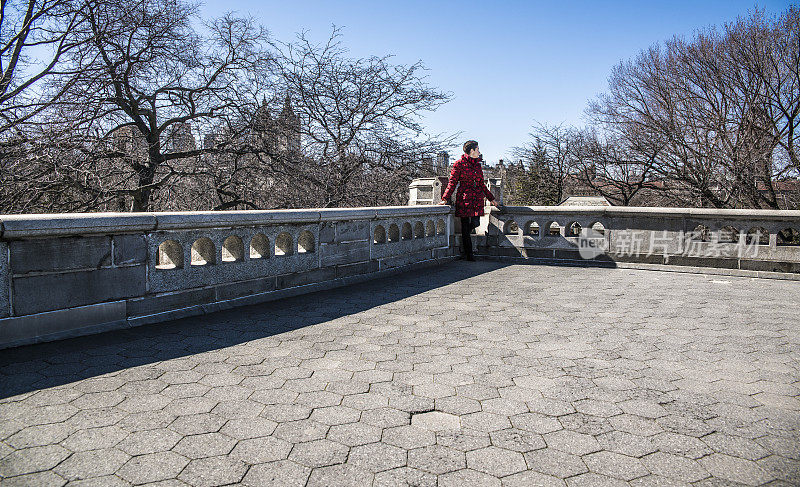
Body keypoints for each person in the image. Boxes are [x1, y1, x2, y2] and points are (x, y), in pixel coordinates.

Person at [438, 140, 500, 261]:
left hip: (477, 198)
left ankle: (468, 251)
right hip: (464, 198)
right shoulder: (459, 164)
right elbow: (452, 183)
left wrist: (491, 199)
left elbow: (482, 184)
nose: (479, 152)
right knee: (465, 227)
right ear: (472, 151)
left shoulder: (477, 165)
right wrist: (445, 198)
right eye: (477, 149)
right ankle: (469, 254)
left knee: (476, 223)